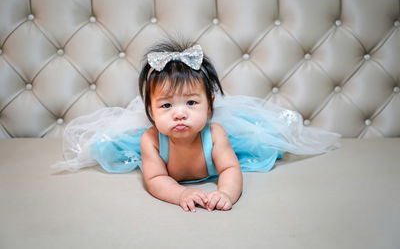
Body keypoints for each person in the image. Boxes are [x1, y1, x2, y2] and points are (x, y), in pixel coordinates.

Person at [53, 39, 341, 212]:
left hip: (223, 148)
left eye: (191, 103)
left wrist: (225, 193)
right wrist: (181, 194)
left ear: (210, 104)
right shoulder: (150, 141)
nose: (179, 114)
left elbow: (229, 169)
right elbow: (154, 180)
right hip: (164, 163)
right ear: (150, 111)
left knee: (259, 148)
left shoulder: (215, 134)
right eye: (166, 106)